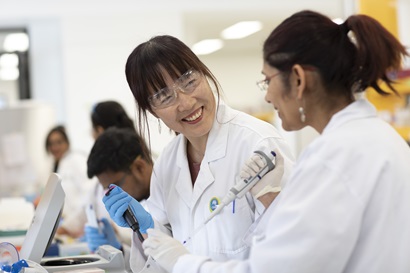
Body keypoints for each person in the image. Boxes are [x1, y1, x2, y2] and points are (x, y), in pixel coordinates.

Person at [140, 10, 410, 273]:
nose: (267, 97)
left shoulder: (329, 159)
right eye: (164, 97)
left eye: (268, 81)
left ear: (298, 80)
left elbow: (279, 266)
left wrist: (182, 264)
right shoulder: (378, 136)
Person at [102, 34, 295, 272]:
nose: (185, 102)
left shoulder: (259, 144)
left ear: (204, 74)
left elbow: (290, 250)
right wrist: (146, 226)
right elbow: (173, 247)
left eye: (189, 81)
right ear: (152, 111)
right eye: (164, 96)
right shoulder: (168, 162)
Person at [85, 127, 153, 272]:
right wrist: (118, 249)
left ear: (139, 167)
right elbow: (148, 264)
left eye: (113, 187)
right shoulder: (144, 201)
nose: (111, 196)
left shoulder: (169, 194)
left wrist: (151, 227)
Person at [45, 125, 94, 237]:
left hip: (81, 227)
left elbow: (88, 195)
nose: (55, 147)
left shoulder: (76, 160)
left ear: (67, 143)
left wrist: (69, 226)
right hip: (70, 227)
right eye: (51, 144)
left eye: (59, 142)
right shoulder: (59, 165)